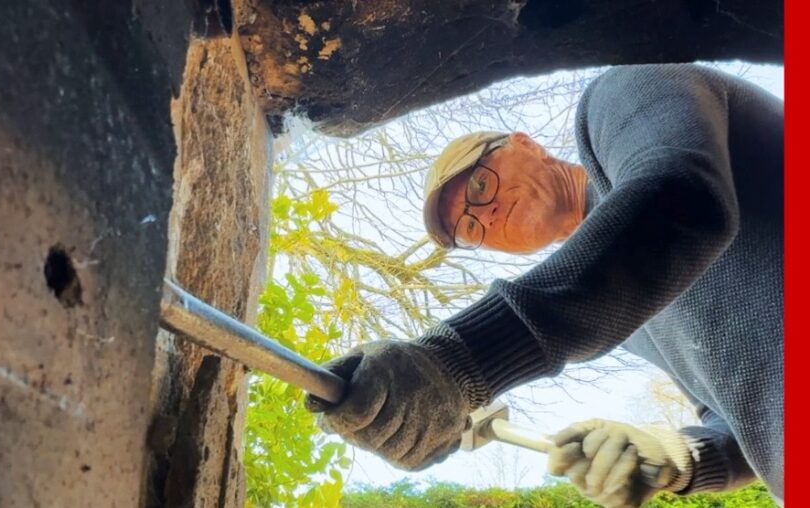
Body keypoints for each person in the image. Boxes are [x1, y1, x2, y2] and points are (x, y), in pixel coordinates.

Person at [305, 63, 783, 507]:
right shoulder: (627, 315)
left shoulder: (620, 96)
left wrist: (462, 358)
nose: (484, 215)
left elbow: (683, 200)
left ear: (524, 144)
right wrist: (674, 456)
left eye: (477, 187)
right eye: (470, 228)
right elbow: (749, 425)